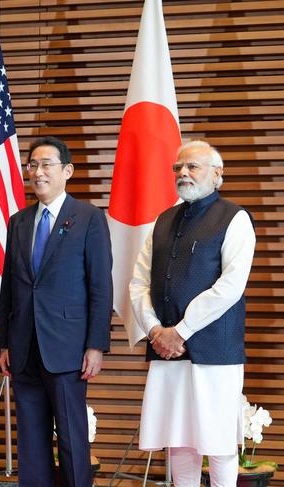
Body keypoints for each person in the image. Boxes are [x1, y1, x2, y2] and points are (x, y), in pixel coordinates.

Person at [129, 140, 256, 487]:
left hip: (214, 353)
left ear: (217, 175)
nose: (182, 173)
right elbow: (138, 282)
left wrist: (179, 332)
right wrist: (156, 331)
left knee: (217, 442)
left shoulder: (235, 218)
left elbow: (230, 286)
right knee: (179, 440)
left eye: (193, 166)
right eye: (177, 168)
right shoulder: (163, 220)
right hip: (167, 351)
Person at [0, 136, 113, 487]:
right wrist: (4, 342)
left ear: (67, 171)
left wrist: (96, 344)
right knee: (31, 443)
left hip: (68, 349)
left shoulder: (89, 218)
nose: (37, 172)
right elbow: (10, 287)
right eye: (32, 165)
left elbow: (100, 286)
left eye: (46, 164)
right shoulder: (19, 221)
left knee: (71, 438)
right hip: (23, 348)